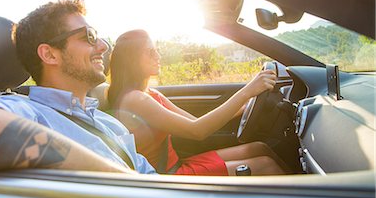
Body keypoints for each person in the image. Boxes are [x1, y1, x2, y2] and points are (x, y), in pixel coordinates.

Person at [0, 0, 155, 174]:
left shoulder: (109, 123)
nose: (104, 46)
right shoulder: (25, 113)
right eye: (89, 36)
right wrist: (123, 180)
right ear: (49, 54)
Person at [108, 29, 290, 176]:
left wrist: (244, 106)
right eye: (150, 52)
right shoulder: (135, 99)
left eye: (157, 50)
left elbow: (194, 120)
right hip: (167, 177)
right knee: (266, 166)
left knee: (260, 148)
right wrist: (247, 91)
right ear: (132, 61)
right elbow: (197, 131)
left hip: (178, 164)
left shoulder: (149, 93)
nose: (158, 55)